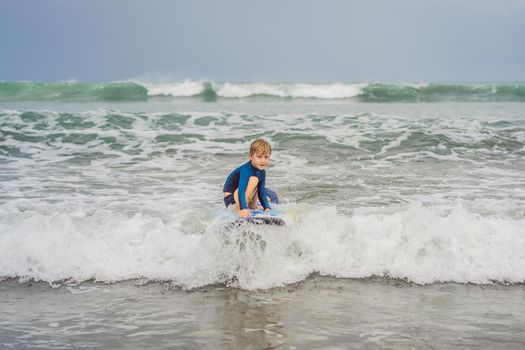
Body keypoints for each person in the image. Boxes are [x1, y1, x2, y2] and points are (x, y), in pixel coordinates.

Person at [223, 139, 273, 218]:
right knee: (254, 180)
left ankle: (252, 205)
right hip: (231, 199)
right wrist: (243, 208)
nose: (263, 161)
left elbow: (261, 190)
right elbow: (241, 189)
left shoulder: (262, 172)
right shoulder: (246, 170)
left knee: (259, 184)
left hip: (241, 195)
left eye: (266, 157)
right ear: (251, 157)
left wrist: (266, 207)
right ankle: (239, 208)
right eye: (259, 157)